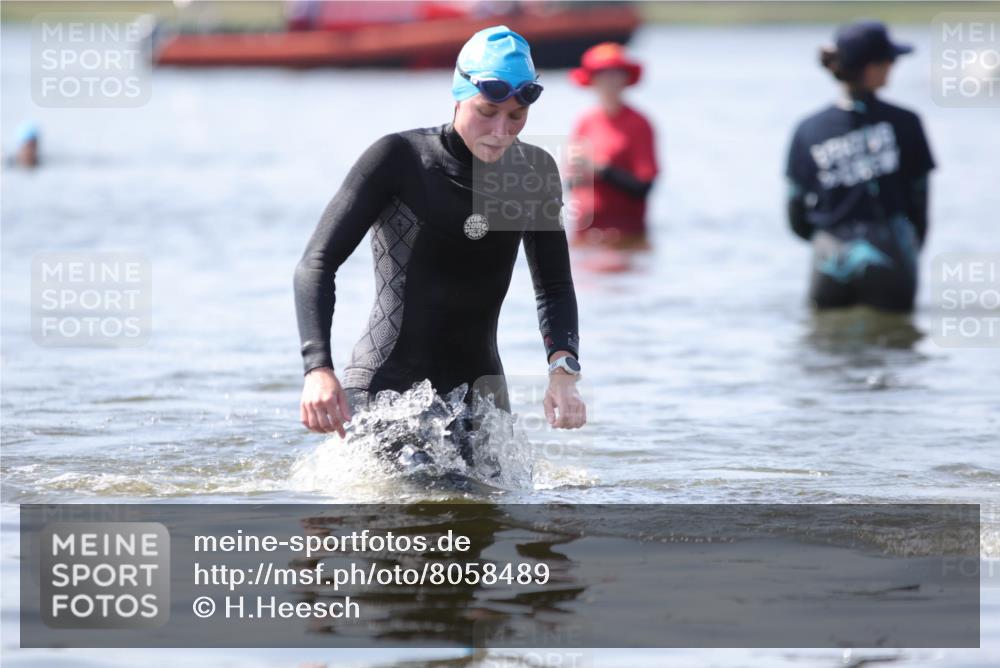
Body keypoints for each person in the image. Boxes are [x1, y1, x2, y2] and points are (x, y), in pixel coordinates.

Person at [294, 26, 586, 450]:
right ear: (458, 94)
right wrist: (318, 369)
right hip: (388, 390)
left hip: (482, 397)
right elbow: (317, 264)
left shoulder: (535, 172)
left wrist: (563, 373)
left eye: (516, 117)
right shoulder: (400, 159)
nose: (501, 130)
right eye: (487, 111)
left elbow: (554, 286)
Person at [786, 21, 935, 312]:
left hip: (828, 253)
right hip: (890, 250)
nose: (893, 65)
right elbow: (920, 203)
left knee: (825, 346)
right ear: (872, 68)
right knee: (895, 348)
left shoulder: (807, 129)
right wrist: (910, 251)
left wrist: (824, 237)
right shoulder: (906, 122)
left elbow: (795, 214)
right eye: (890, 60)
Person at [566, 42, 659, 250]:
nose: (609, 82)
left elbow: (643, 187)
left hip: (625, 236)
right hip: (584, 234)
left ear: (625, 79)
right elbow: (571, 183)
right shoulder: (584, 122)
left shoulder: (639, 123)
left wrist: (602, 170)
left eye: (615, 75)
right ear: (592, 80)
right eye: (602, 75)